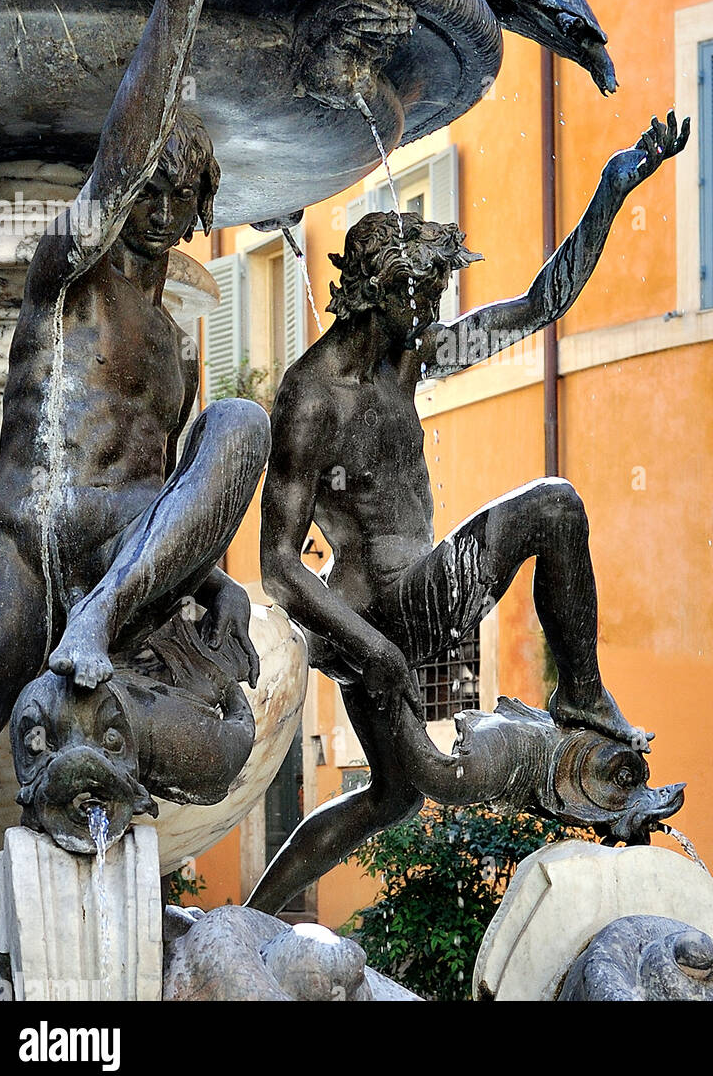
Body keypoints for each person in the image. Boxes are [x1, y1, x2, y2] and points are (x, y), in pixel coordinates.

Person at [248, 111, 690, 914]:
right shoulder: (312, 398)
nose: (435, 314)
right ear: (380, 291)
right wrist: (374, 651)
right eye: (425, 297)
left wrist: (613, 187)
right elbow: (276, 563)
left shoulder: (402, 356)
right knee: (553, 507)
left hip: (402, 611)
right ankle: (582, 695)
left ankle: (248, 916)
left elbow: (537, 305)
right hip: (380, 613)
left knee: (393, 798)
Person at [0, 0, 270, 866]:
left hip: (116, 558)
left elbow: (184, 484)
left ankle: (96, 620)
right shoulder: (69, 269)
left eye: (178, 184)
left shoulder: (182, 347)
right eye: (147, 177)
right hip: (29, 527)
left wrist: (213, 572)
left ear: (196, 207)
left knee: (240, 424)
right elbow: (116, 158)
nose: (156, 196)